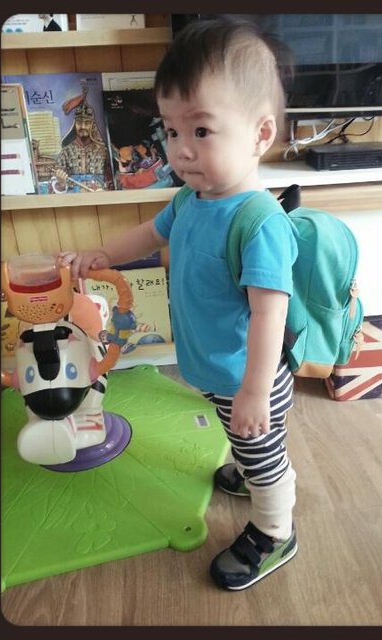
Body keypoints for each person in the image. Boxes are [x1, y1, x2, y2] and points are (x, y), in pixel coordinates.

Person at [60, 18, 298, 591]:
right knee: (242, 436)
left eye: (202, 130)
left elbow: (271, 315)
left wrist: (253, 392)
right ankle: (245, 464)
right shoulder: (193, 198)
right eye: (170, 130)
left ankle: (275, 530)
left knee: (264, 452)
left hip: (250, 375)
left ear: (261, 134)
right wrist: (104, 253)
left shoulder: (258, 222)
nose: (180, 150)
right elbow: (151, 233)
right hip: (218, 371)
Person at [53, 89, 112, 193]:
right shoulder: (66, 152)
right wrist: (61, 183)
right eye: (79, 123)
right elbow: (55, 185)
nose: (83, 126)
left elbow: (111, 181)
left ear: (92, 124)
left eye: (87, 123)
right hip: (74, 200)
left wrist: (105, 190)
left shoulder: (103, 151)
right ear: (75, 124)